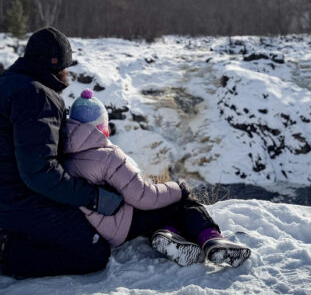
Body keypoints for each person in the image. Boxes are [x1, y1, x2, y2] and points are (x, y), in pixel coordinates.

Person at [62, 88, 251, 267]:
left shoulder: (64, 153)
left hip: (96, 226)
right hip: (116, 226)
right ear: (101, 126)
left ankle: (169, 236)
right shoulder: (107, 155)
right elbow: (143, 197)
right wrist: (180, 188)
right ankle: (213, 240)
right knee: (180, 203)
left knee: (158, 211)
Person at [0, 27, 125, 278]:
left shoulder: (3, 84)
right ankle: (9, 250)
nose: (67, 73)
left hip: (0, 196)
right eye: (66, 65)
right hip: (15, 202)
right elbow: (39, 173)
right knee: (93, 250)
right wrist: (93, 197)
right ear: (56, 65)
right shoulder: (37, 95)